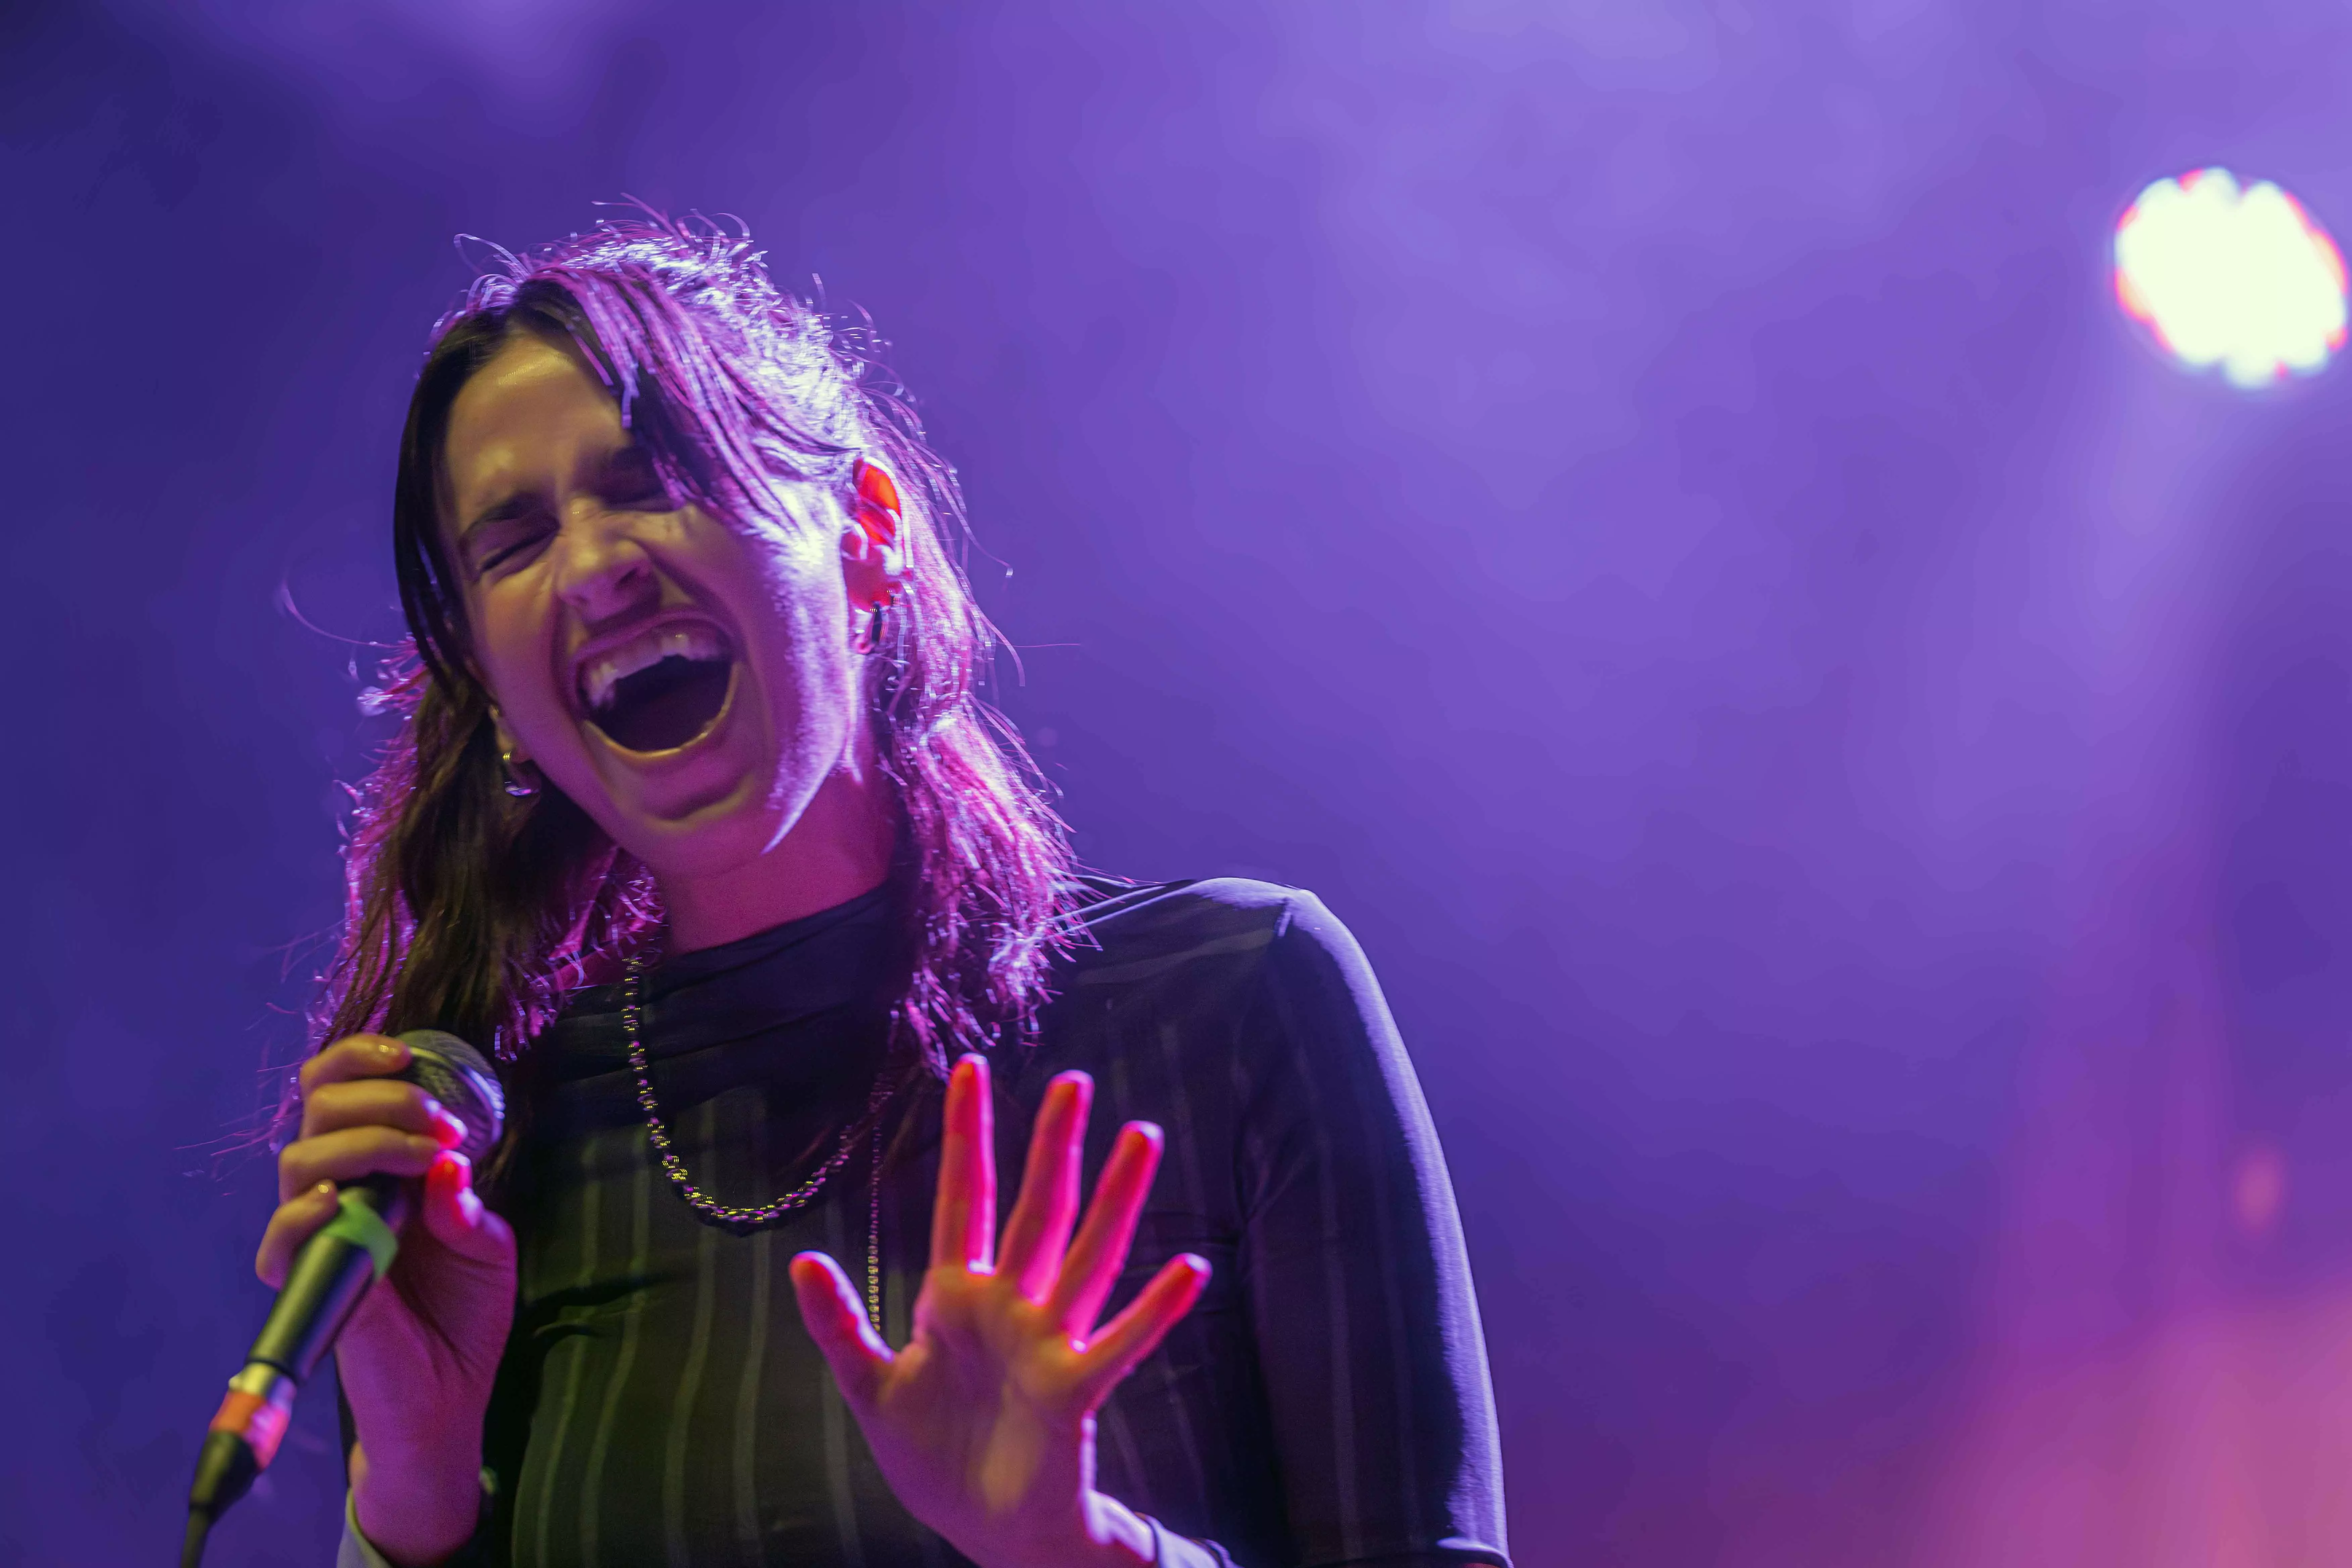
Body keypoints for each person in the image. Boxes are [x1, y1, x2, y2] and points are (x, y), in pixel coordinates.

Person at [255, 213, 1509, 1568]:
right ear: (498, 704)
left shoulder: (1233, 994)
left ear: (866, 535)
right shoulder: (495, 1155)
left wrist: (1081, 1549)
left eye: (655, 477)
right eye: (511, 540)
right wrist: (416, 1493)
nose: (596, 564)